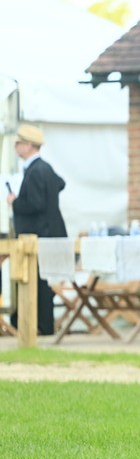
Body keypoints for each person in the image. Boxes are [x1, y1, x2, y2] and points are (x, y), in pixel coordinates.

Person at [6, 124, 68, 335]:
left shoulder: (36, 171)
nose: (16, 147)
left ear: (29, 145)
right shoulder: (45, 169)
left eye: (19, 143)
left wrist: (15, 201)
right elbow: (60, 184)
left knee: (37, 283)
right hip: (49, 232)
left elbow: (35, 204)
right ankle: (36, 323)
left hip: (39, 234)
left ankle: (41, 325)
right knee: (41, 282)